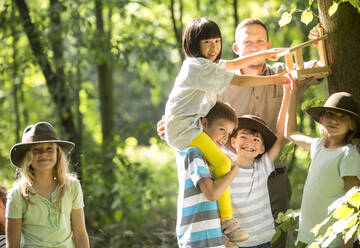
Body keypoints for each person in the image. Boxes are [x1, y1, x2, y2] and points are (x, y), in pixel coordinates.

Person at [165, 16, 289, 243]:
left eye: (216, 41)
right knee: (224, 164)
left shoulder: (208, 66)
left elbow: (232, 64)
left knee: (217, 165)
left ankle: (223, 221)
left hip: (189, 127)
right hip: (184, 130)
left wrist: (262, 55)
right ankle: (227, 221)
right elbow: (238, 79)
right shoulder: (197, 66)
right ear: (193, 45)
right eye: (206, 43)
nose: (213, 48)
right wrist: (278, 79)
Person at [217, 18, 322, 248]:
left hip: (274, 177)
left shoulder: (284, 73)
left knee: (274, 241)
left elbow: (318, 68)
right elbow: (195, 112)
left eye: (260, 41)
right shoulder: (222, 82)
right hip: (232, 183)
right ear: (237, 48)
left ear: (269, 47)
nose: (254, 47)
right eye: (247, 42)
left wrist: (320, 46)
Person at [285, 85, 360, 247]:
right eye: (330, 114)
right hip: (309, 233)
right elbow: (289, 132)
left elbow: (353, 203)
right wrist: (291, 92)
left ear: (352, 126)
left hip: (332, 238)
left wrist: (347, 243)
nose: (334, 120)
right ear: (322, 118)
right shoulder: (317, 145)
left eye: (342, 117)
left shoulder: (348, 154)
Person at [6, 122, 90, 248]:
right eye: (36, 150)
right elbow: (12, 244)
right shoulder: (17, 195)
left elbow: (80, 234)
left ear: (58, 153)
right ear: (27, 156)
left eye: (49, 149)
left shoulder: (72, 187)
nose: (43, 154)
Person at [225, 82, 289, 248]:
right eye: (243, 137)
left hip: (265, 241)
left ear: (261, 149)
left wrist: (288, 92)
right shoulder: (226, 169)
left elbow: (280, 137)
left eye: (255, 139)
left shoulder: (263, 167)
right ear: (233, 141)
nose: (249, 142)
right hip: (239, 244)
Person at [176, 101, 241, 247]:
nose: (225, 138)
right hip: (198, 237)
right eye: (222, 129)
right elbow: (211, 194)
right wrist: (234, 171)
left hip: (209, 235)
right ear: (204, 124)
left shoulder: (209, 158)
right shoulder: (194, 153)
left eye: (229, 133)